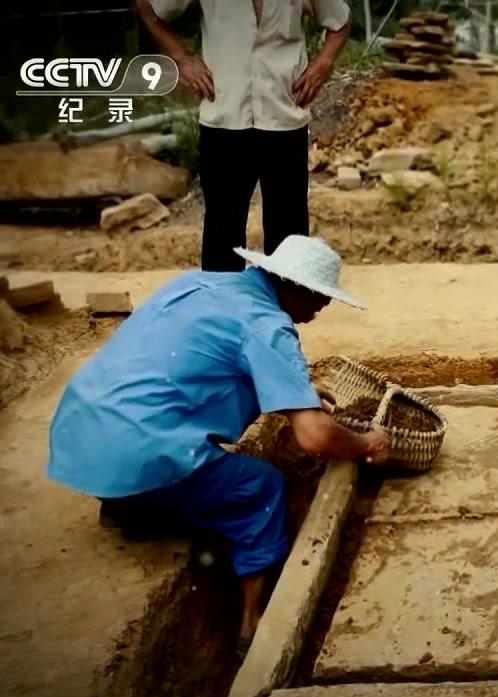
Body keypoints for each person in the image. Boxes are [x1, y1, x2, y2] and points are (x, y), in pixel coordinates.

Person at [46, 235, 388, 657]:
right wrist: (364, 442)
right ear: (294, 287)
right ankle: (251, 623)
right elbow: (314, 436)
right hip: (137, 449)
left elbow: (199, 360)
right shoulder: (268, 326)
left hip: (83, 433)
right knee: (261, 487)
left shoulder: (200, 284)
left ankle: (128, 506)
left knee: (168, 439)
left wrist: (293, 389)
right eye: (320, 297)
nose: (322, 309)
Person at [135, 0, 351, 271]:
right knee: (221, 233)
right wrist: (182, 59)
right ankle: (224, 311)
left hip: (284, 116)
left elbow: (340, 21)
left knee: (290, 237)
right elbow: (148, 7)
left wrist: (323, 64)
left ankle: (283, 314)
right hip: (224, 118)